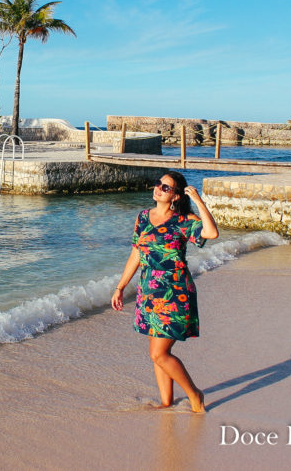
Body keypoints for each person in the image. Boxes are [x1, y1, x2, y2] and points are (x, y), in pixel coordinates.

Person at [111, 170, 219, 412]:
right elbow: (136, 254)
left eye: (166, 187)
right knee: (157, 352)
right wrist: (120, 287)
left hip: (175, 292)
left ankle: (195, 395)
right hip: (149, 291)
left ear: (176, 196)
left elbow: (211, 233)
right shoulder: (143, 217)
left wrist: (200, 202)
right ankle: (166, 402)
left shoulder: (184, 221)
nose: (158, 188)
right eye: (158, 184)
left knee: (159, 354)